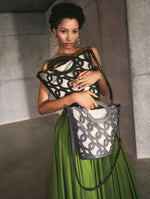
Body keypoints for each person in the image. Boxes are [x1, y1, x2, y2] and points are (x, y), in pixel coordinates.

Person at [37, 2, 141, 199]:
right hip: (70, 128)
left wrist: (98, 75)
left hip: (98, 122)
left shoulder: (90, 52)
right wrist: (73, 97)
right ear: (54, 31)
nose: (69, 38)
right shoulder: (48, 65)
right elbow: (42, 108)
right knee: (82, 179)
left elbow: (104, 91)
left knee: (104, 174)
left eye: (74, 31)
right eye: (64, 31)